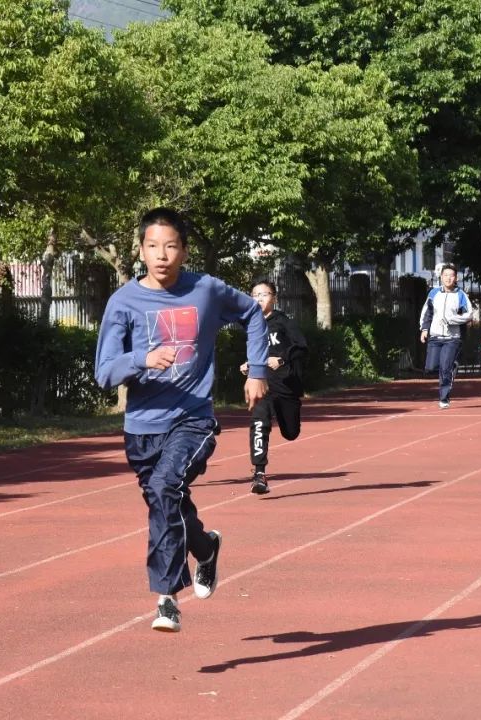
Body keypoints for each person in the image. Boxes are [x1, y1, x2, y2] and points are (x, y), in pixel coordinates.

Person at [95, 207, 269, 633]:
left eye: (171, 246)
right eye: (153, 246)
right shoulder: (124, 302)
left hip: (193, 418)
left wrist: (258, 371)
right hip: (141, 428)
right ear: (140, 251)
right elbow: (104, 373)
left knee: (164, 487)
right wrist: (142, 359)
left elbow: (251, 314)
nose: (162, 255)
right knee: (165, 499)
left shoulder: (205, 290)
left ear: (184, 251)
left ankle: (167, 597)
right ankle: (206, 548)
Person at [240, 280, 308, 495]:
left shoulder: (284, 322)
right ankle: (259, 473)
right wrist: (248, 365)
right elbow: (254, 350)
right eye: (255, 295)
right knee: (259, 423)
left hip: (285, 385)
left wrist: (282, 359)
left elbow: (302, 348)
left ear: (274, 298)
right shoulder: (250, 324)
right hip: (262, 383)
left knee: (291, 432)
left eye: (264, 294)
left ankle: (288, 419)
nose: (259, 299)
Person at [419, 264, 473, 408]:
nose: (449, 278)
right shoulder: (433, 293)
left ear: (456, 278)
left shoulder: (461, 295)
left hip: (452, 338)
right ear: (441, 277)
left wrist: (453, 319)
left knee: (445, 367)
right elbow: (427, 313)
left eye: (452, 275)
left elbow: (469, 315)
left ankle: (444, 398)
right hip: (435, 336)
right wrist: (424, 329)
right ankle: (452, 365)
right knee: (430, 367)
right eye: (446, 275)